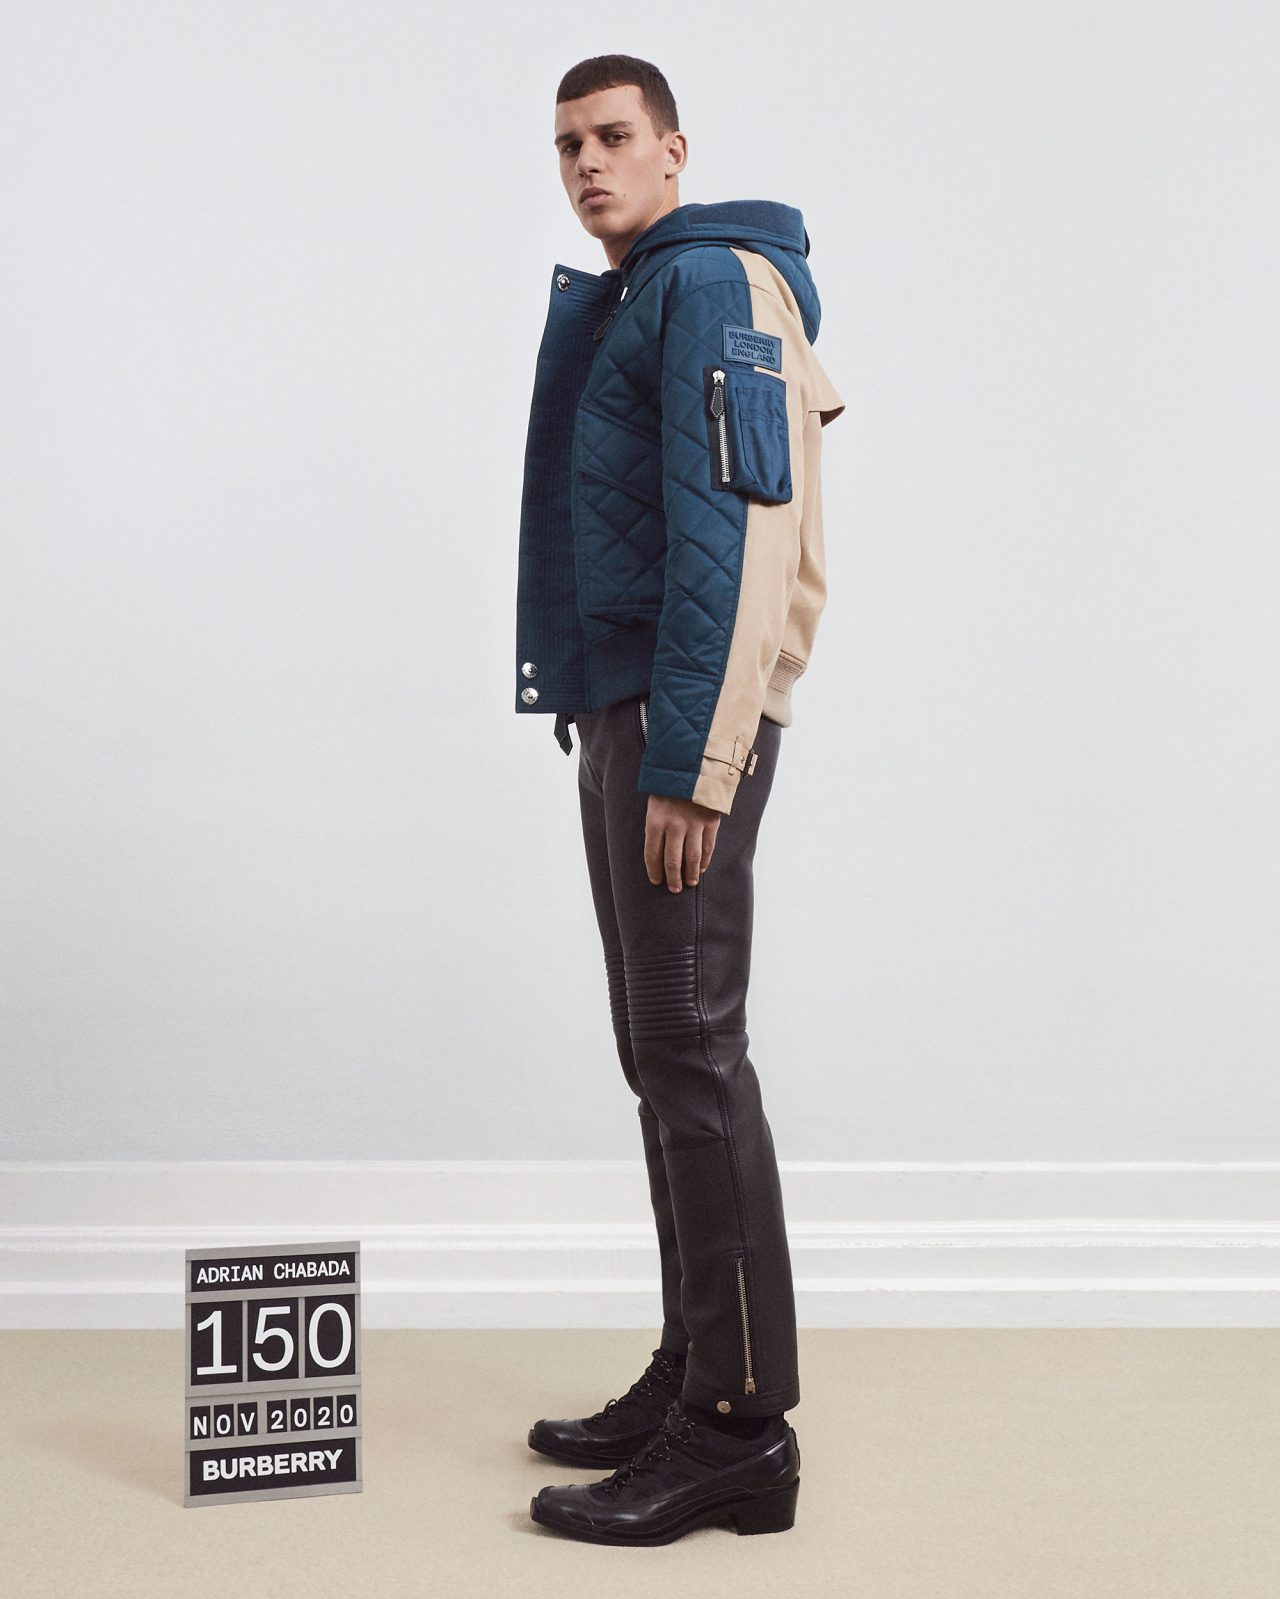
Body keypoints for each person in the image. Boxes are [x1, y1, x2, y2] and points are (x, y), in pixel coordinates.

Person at [513, 53, 845, 1545]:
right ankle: (694, 1370)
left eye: (613, 137)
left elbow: (739, 534)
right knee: (663, 1056)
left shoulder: (709, 283)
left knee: (695, 1055)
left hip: (678, 723)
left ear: (674, 149)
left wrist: (694, 766)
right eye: (567, 145)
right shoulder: (646, 292)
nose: (587, 163)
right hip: (628, 708)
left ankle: (738, 1432)